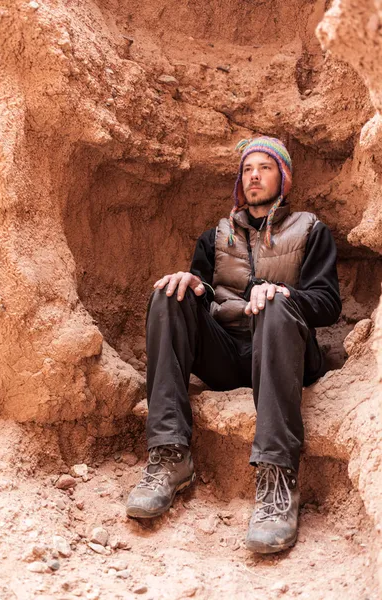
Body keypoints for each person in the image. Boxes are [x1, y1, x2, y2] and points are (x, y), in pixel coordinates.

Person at [125, 136, 342, 554]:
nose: (255, 175)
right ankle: (169, 455)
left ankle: (278, 480)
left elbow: (328, 302)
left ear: (284, 178)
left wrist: (283, 295)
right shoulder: (215, 237)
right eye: (247, 169)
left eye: (265, 167)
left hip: (285, 352)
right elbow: (202, 296)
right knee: (169, 294)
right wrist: (191, 283)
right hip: (228, 353)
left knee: (275, 306)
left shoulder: (311, 230)